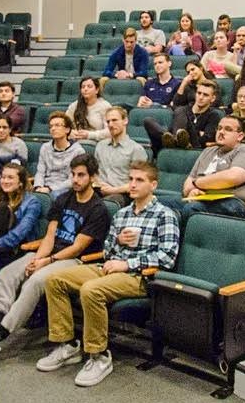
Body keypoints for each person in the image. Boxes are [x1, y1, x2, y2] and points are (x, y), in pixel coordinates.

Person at [37, 161, 179, 387]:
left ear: (153, 185)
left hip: (139, 276)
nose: (132, 185)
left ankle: (99, 356)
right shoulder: (122, 214)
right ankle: (67, 345)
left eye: (139, 180)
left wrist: (127, 264)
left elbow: (167, 257)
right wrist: (119, 242)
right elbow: (108, 250)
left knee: (91, 290)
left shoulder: (164, 215)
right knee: (55, 280)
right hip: (109, 267)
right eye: (130, 179)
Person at [0, 154, 111, 345]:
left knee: (35, 281)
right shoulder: (63, 199)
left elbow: (77, 247)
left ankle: (2, 332)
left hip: (75, 261)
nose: (75, 179)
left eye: (81, 175)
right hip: (49, 253)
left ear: (92, 177)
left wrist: (47, 261)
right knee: (8, 274)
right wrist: (38, 259)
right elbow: (50, 236)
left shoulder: (98, 209)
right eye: (73, 174)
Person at [164, 115, 245, 220]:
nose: (221, 132)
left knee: (192, 208)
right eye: (219, 128)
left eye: (228, 129)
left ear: (240, 136)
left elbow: (231, 178)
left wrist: (197, 184)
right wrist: (193, 190)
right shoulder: (208, 151)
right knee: (159, 202)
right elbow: (189, 182)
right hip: (203, 199)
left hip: (235, 203)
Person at [143, 79, 221, 155]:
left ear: (213, 98)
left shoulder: (213, 115)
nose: (201, 97)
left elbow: (206, 140)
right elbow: (171, 130)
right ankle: (176, 140)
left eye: (205, 95)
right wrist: (199, 133)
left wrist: (191, 133)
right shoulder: (183, 110)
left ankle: (177, 140)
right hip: (172, 143)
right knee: (148, 121)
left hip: (194, 148)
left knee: (180, 113)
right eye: (199, 93)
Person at [94, 107, 148, 206]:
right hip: (99, 190)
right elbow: (94, 173)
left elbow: (139, 182)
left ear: (125, 121)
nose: (110, 124)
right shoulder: (100, 146)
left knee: (106, 204)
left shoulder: (136, 149)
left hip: (123, 194)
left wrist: (113, 190)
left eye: (114, 120)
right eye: (108, 121)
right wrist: (98, 183)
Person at [34, 111, 86, 199]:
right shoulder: (45, 147)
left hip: (65, 188)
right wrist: (38, 187)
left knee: (55, 196)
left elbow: (72, 180)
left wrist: (50, 189)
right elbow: (40, 172)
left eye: (57, 125)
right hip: (44, 186)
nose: (53, 129)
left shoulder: (78, 151)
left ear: (67, 130)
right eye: (51, 126)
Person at [65, 77, 112, 142]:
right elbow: (63, 124)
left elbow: (110, 131)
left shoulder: (105, 106)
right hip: (76, 142)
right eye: (83, 87)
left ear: (97, 90)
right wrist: (70, 132)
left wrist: (89, 135)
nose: (85, 89)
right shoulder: (74, 106)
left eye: (89, 86)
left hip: (98, 142)